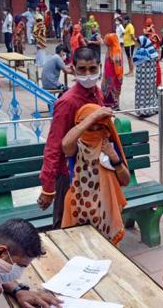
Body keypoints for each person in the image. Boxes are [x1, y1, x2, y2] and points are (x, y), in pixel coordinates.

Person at [37, 48, 107, 228]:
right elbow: (53, 146)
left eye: (92, 69)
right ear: (73, 69)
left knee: (92, 222)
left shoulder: (97, 94)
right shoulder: (67, 102)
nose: (88, 74)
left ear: (99, 67)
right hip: (69, 174)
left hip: (92, 171)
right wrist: (48, 187)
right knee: (65, 227)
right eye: (82, 69)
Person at [60, 103, 130, 243]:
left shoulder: (109, 145)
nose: (94, 131)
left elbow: (126, 180)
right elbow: (65, 144)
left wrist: (114, 158)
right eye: (90, 127)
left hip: (106, 207)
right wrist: (93, 117)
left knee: (106, 252)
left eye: (100, 127)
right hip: (78, 206)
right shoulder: (76, 145)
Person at [132, 35, 159, 117]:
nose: (138, 45)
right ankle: (150, 109)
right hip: (151, 79)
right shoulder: (152, 51)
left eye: (139, 43)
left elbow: (135, 61)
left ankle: (142, 111)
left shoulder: (141, 51)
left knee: (142, 95)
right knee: (150, 93)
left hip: (142, 80)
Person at [101, 33, 123, 110]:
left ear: (111, 41)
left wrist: (117, 77)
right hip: (107, 75)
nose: (105, 42)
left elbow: (118, 65)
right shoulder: (110, 48)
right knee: (106, 88)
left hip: (114, 76)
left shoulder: (116, 50)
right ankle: (108, 105)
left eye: (106, 40)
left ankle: (115, 106)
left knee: (113, 90)